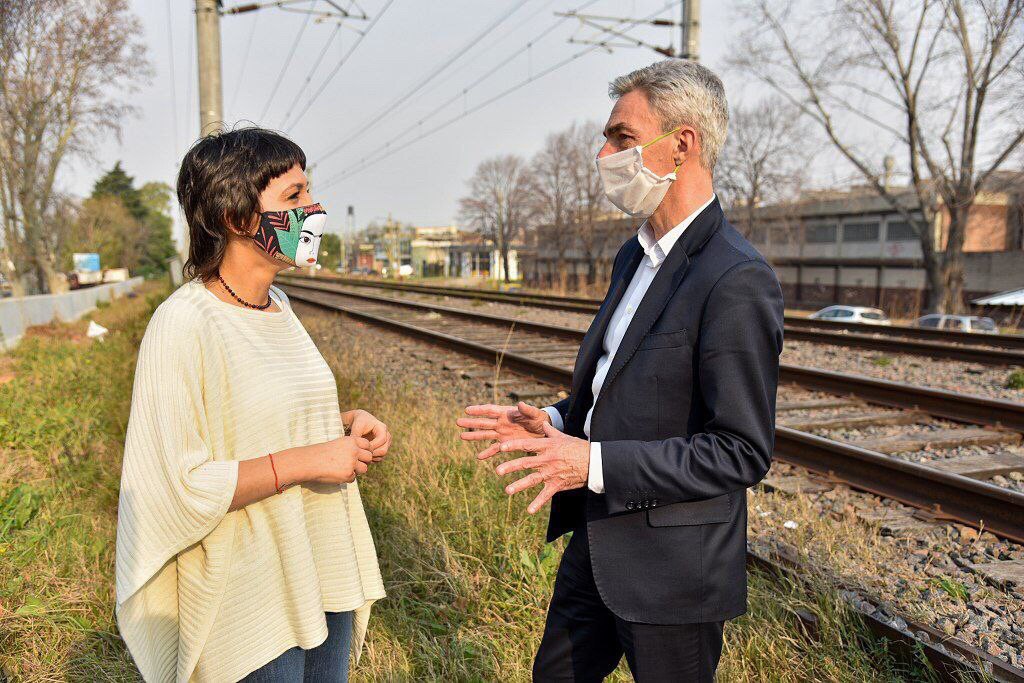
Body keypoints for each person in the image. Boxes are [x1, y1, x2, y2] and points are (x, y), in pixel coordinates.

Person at [458, 60, 784, 681]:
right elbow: (625, 384)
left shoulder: (736, 278)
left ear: (682, 145)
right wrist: (553, 421)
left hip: (675, 570)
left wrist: (590, 464)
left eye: (622, 138)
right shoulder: (633, 256)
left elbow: (741, 451)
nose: (602, 153)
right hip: (599, 540)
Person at [114, 127, 388, 682]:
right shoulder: (183, 324)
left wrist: (342, 426)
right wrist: (312, 461)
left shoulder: (279, 306)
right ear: (237, 218)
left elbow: (255, 418)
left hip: (319, 563)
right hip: (250, 587)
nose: (314, 209)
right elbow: (181, 482)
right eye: (294, 197)